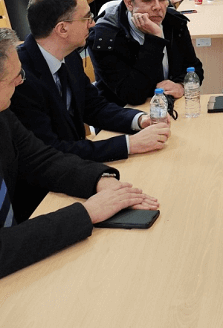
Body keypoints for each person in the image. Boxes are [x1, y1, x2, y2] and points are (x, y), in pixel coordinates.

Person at [0, 27, 159, 278]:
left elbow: (41, 158)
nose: (21, 81)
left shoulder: (3, 114)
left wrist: (99, 180)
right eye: (14, 77)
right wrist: (86, 213)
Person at [12, 0, 169, 218]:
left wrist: (139, 120)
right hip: (43, 196)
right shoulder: (19, 79)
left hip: (75, 172)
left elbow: (94, 106)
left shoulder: (69, 56)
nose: (93, 24)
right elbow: (53, 150)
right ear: (62, 29)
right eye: (87, 17)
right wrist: (129, 144)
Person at [87, 0, 203, 107]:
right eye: (148, 0)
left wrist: (181, 86)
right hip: (124, 113)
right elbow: (133, 95)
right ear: (129, 3)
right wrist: (155, 39)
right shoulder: (105, 37)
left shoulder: (174, 22)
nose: (157, 7)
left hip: (169, 107)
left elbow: (195, 68)